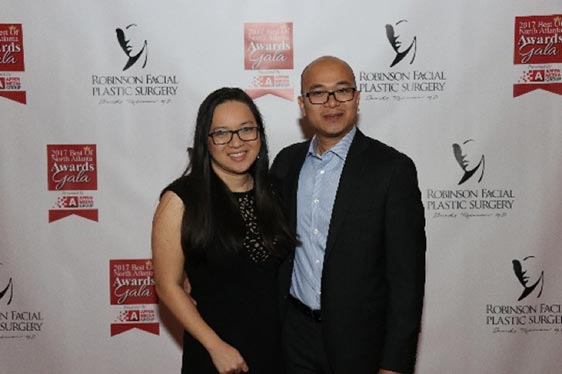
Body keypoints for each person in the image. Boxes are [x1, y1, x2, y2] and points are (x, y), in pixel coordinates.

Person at [270, 56, 426, 374]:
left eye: (342, 91)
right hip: (294, 337)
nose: (331, 103)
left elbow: (406, 279)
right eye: (318, 93)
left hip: (361, 345)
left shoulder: (392, 169)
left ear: (357, 98)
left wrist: (395, 363)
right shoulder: (286, 163)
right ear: (302, 103)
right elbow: (265, 241)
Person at [152, 87, 293, 374]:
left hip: (276, 351)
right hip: (218, 356)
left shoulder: (275, 193)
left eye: (246, 129)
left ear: (259, 134)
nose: (236, 142)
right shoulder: (181, 200)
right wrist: (216, 347)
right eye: (221, 133)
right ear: (206, 140)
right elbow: (167, 285)